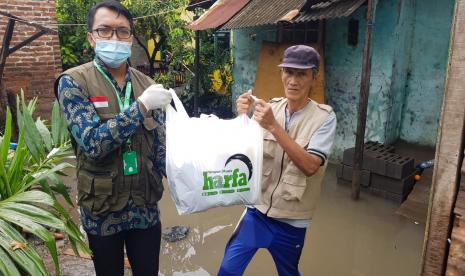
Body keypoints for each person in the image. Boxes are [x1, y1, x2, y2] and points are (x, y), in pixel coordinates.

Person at [54, 1, 172, 275]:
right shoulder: (73, 82)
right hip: (102, 209)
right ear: (91, 37)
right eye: (105, 30)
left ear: (131, 37)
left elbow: (161, 148)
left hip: (145, 206)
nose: (114, 38)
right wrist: (140, 107)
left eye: (122, 31)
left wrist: (192, 180)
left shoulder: (147, 85)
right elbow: (93, 143)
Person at [218, 45, 337, 276]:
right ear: (281, 73)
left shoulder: (324, 118)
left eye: (301, 73)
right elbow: (243, 153)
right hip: (256, 212)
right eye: (288, 72)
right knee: (228, 270)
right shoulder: (269, 108)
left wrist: (274, 126)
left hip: (292, 221)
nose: (293, 80)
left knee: (289, 273)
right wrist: (241, 117)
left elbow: (311, 166)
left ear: (314, 77)